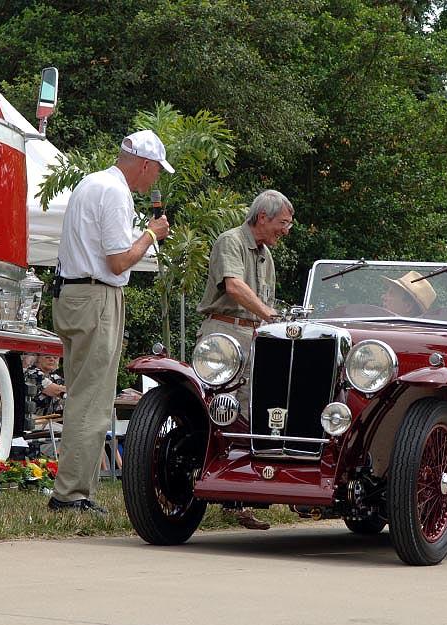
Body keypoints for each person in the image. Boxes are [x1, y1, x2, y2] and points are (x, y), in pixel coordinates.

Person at [47, 129, 172, 514]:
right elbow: (118, 261)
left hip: (70, 293)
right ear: (146, 165)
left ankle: (69, 488)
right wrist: (151, 234)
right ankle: (72, 496)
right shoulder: (117, 193)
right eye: (157, 172)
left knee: (79, 393)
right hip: (97, 296)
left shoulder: (91, 182)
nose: (156, 180)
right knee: (94, 398)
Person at [195, 189, 295, 530]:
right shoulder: (231, 241)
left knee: (250, 414)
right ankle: (206, 485)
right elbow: (234, 287)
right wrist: (269, 314)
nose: (287, 229)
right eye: (283, 222)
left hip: (254, 336)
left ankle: (239, 498)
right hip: (225, 334)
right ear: (262, 218)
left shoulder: (267, 256)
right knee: (220, 410)